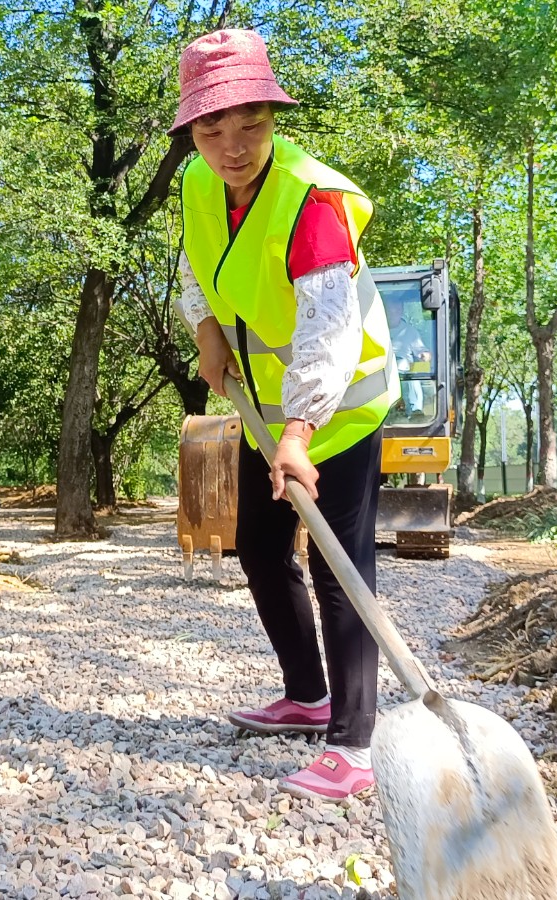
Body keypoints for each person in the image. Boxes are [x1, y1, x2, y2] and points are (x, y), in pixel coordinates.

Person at [170, 29, 398, 802]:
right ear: (191, 130)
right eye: (212, 128)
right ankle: (308, 695)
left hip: (340, 407)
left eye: (251, 125)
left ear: (274, 115)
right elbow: (200, 271)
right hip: (266, 409)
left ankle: (355, 745)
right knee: (262, 551)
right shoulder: (200, 188)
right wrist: (205, 329)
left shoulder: (313, 201)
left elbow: (327, 332)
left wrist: (301, 435)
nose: (232, 146)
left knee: (341, 565)